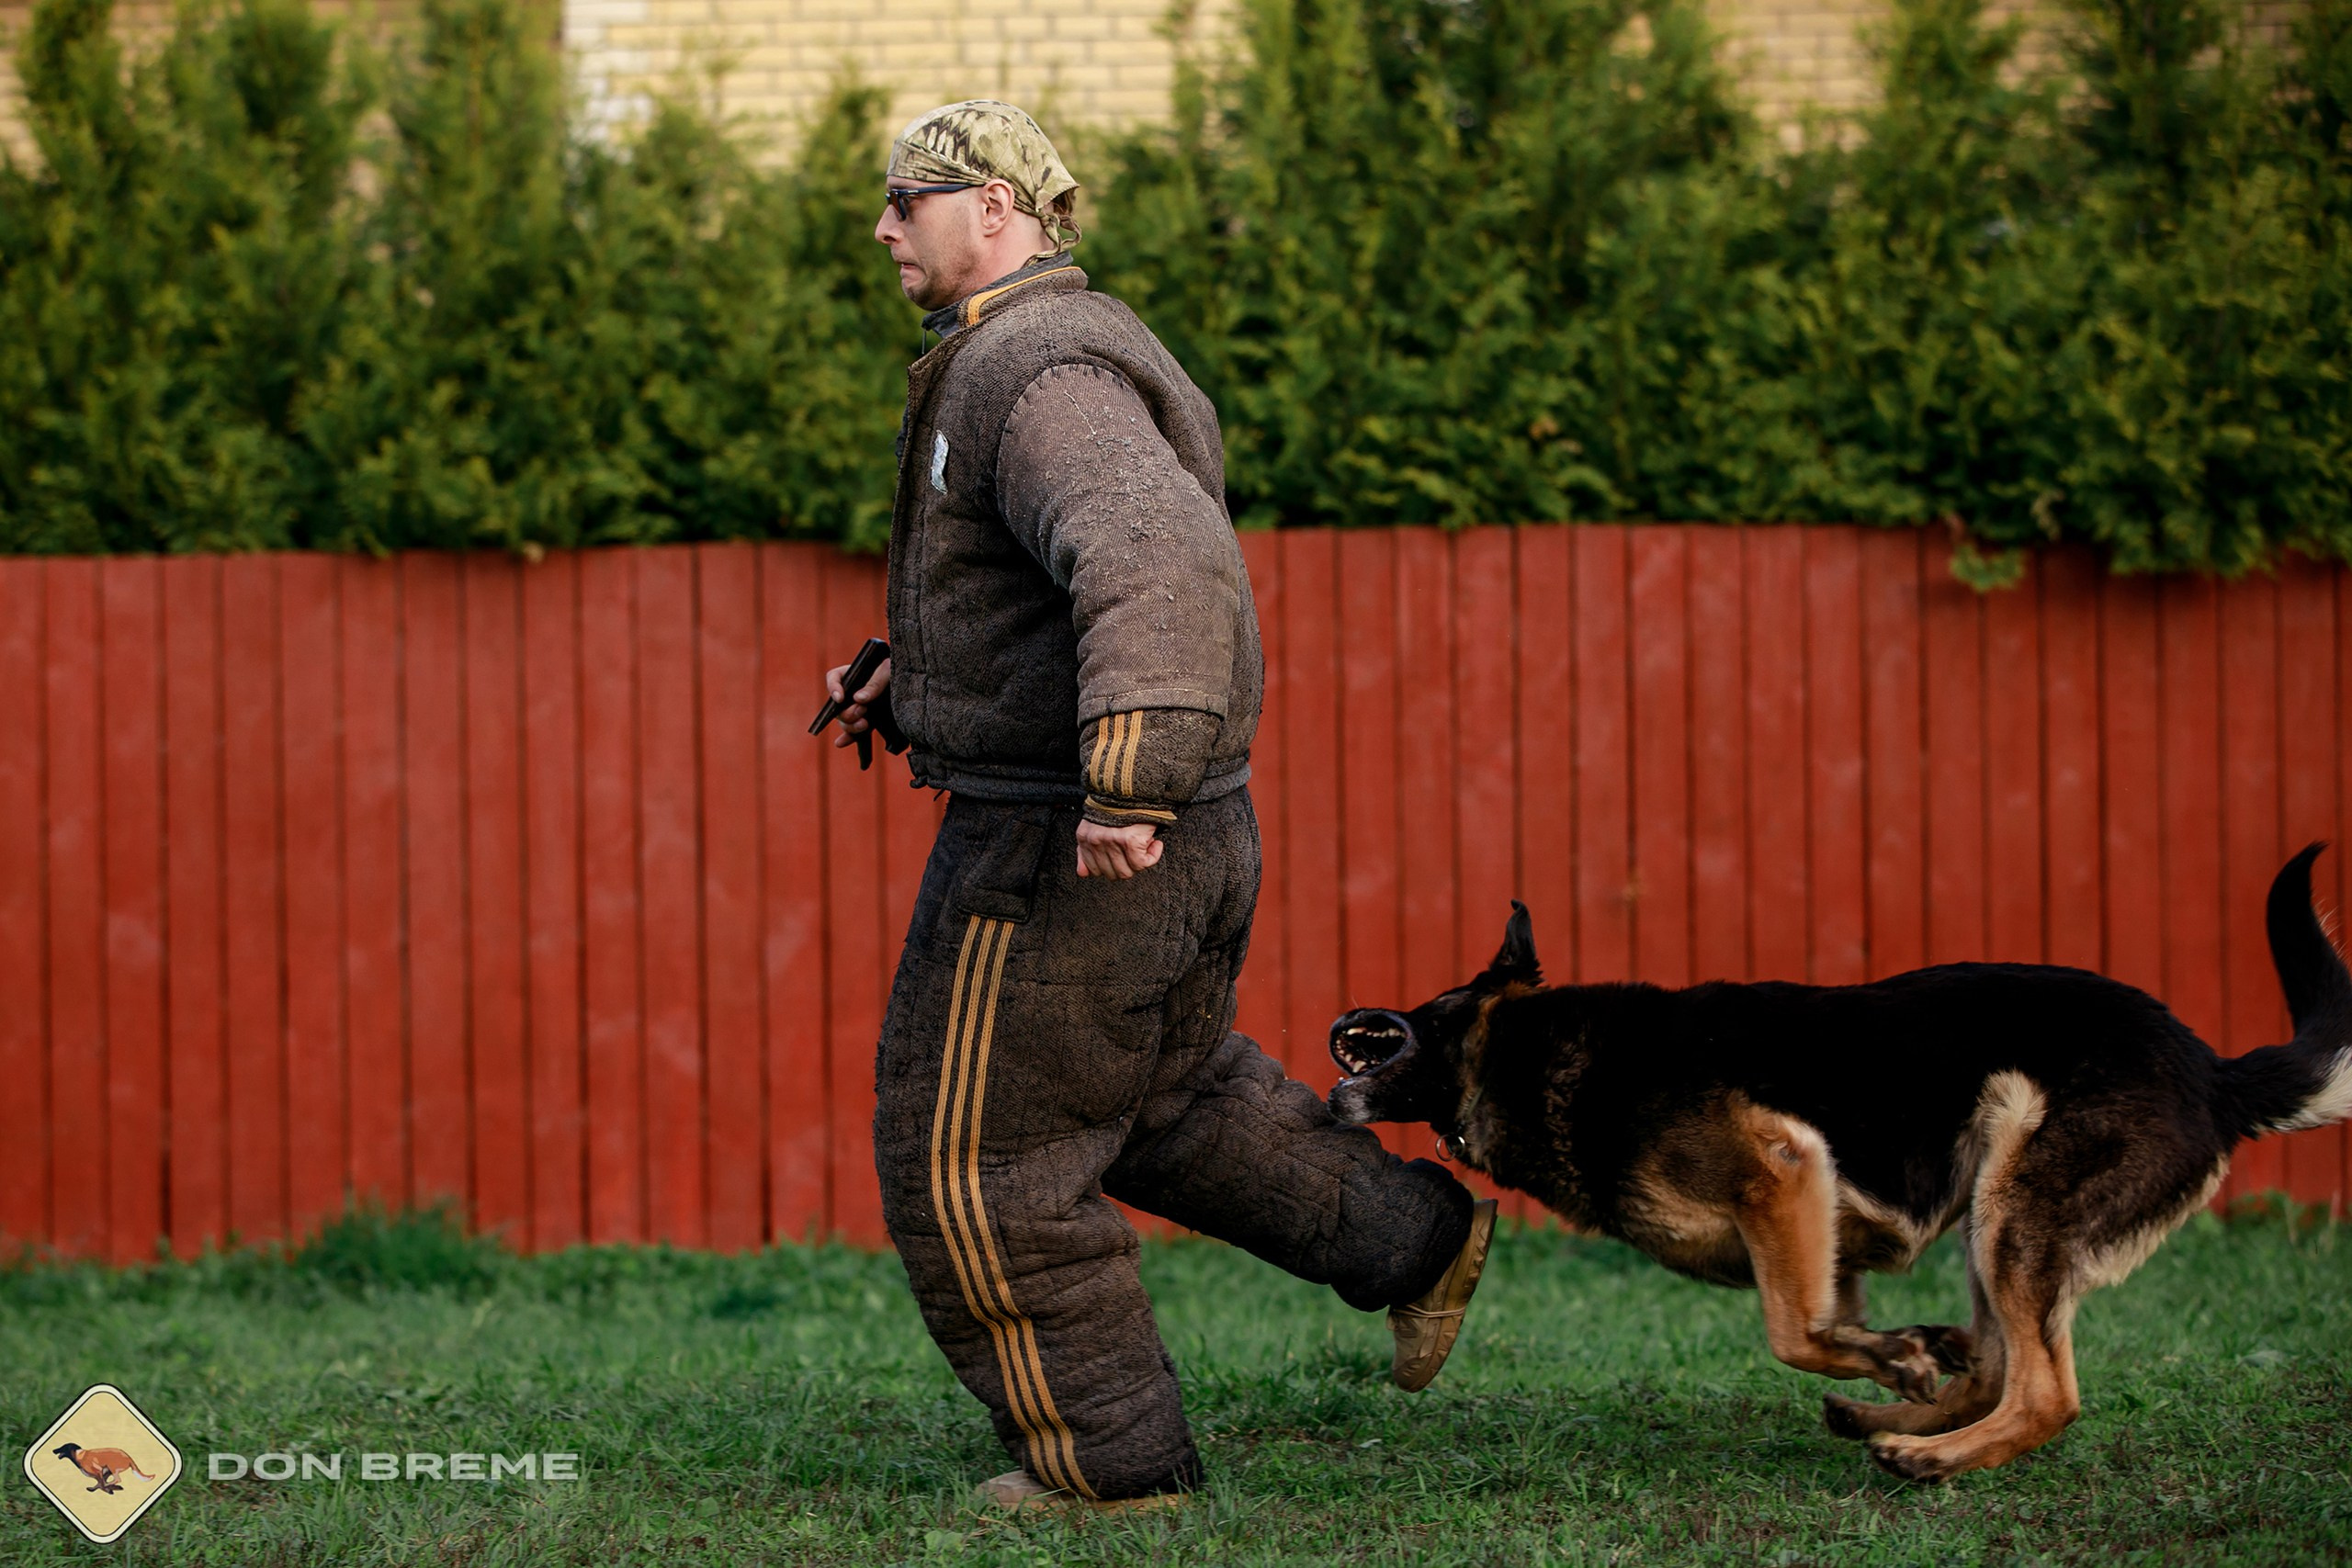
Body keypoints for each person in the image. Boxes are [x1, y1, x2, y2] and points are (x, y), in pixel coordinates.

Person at [822, 98, 1497, 1512]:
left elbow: (1154, 562)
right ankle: (1411, 1241)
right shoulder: (1032, 353)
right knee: (1159, 1101)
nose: (884, 226)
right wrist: (918, 677)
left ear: (994, 205)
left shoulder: (1041, 369)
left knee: (977, 1160)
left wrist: (1129, 769)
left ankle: (1110, 1472)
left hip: (1072, 845)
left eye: (908, 198)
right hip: (1166, 834)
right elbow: (1041, 583)